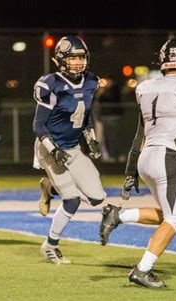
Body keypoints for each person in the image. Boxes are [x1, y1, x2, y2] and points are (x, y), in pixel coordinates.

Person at [99, 38, 176, 288]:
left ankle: (118, 215)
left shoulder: (146, 87)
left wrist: (130, 172)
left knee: (168, 216)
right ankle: (142, 270)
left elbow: (139, 135)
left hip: (146, 157)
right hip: (166, 157)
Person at [33, 36, 107, 264]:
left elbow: (84, 115)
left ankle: (49, 187)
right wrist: (53, 150)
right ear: (60, 60)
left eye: (81, 57)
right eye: (72, 57)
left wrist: (91, 138)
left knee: (97, 197)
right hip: (49, 148)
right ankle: (50, 245)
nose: (77, 62)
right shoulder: (50, 84)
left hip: (73, 147)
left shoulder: (91, 81)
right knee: (72, 199)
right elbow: (38, 125)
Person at [92, 77, 124, 162]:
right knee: (105, 137)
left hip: (112, 116)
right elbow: (96, 102)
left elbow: (111, 99)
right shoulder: (102, 91)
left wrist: (102, 94)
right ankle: (109, 155)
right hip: (104, 116)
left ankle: (115, 154)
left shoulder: (114, 90)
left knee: (113, 137)